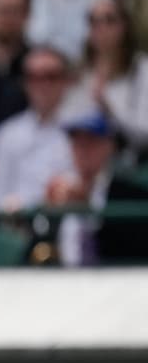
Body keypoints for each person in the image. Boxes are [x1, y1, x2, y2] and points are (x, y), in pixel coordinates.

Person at [46, 112, 148, 265]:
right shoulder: (59, 191)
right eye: (77, 143)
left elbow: (129, 246)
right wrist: (48, 214)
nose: (83, 151)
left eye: (91, 142)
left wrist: (86, 207)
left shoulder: (129, 194)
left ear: (110, 146)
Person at [0, 46, 76, 211]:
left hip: (67, 219)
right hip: (17, 222)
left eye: (51, 76)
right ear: (24, 83)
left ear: (67, 80)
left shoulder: (83, 131)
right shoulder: (6, 134)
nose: (43, 85)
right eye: (33, 77)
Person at [59, 0, 148, 158]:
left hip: (125, 162)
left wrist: (109, 112)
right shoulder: (79, 73)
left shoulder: (143, 70)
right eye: (93, 21)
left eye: (109, 19)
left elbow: (144, 134)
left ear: (125, 25)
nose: (101, 27)